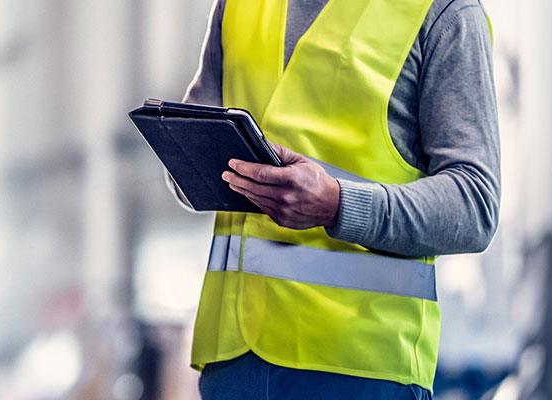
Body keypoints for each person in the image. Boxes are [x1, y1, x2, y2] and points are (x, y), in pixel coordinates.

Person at [166, 0, 500, 398]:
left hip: (362, 366)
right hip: (235, 364)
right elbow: (188, 164)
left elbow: (474, 203)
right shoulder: (237, 5)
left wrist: (338, 205)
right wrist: (182, 151)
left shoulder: (443, 12)